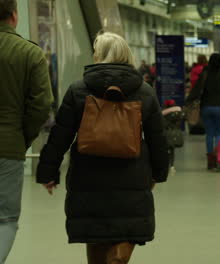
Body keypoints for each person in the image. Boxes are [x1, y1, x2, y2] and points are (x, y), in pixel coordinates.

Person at [36, 32, 169, 264]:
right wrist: (159, 172)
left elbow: (60, 135)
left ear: (98, 56)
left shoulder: (78, 90)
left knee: (95, 237)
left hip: (88, 177)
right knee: (126, 232)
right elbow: (158, 138)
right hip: (132, 176)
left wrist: (48, 172)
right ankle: (119, 255)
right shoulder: (144, 92)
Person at [0, 1, 54, 263]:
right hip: (9, 147)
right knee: (5, 220)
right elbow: (42, 105)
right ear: (14, 15)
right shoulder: (30, 53)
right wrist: (23, 137)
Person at [186, 53, 220, 169]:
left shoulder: (204, 75)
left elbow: (196, 91)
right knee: (219, 133)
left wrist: (188, 101)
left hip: (206, 108)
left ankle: (210, 162)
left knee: (209, 134)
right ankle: (219, 158)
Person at [162, 99, 185, 173]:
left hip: (166, 134)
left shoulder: (163, 115)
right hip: (176, 134)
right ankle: (172, 166)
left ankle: (165, 165)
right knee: (172, 150)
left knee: (165, 151)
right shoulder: (179, 113)